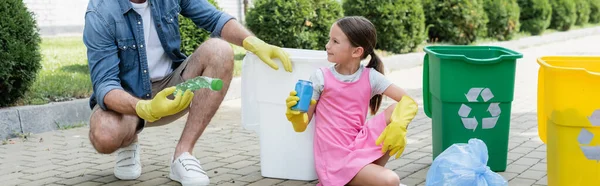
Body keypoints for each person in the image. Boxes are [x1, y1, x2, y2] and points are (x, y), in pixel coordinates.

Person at [82, 0, 292, 185]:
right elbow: (105, 85)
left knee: (220, 50)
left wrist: (253, 43)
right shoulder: (101, 12)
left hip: (173, 88)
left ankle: (183, 154)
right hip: (129, 102)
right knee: (105, 135)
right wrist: (145, 107)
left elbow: (215, 19)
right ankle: (129, 141)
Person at [284, 16, 418, 186]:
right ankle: (362, 178)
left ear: (356, 51)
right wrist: (296, 116)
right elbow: (303, 123)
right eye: (329, 39)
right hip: (335, 160)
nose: (327, 45)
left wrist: (399, 125)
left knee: (396, 110)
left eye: (335, 41)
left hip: (359, 147)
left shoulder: (370, 77)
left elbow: (409, 101)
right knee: (391, 180)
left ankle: (365, 177)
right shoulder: (321, 77)